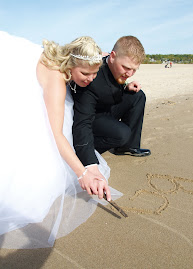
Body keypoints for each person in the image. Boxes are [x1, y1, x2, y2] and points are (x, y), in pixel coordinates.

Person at [0, 31, 121, 249]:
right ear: (71, 63)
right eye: (85, 73)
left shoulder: (70, 59)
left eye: (95, 74)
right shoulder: (56, 79)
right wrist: (82, 173)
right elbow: (56, 133)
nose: (90, 79)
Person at [72, 36, 151, 178]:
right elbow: (83, 122)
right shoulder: (91, 78)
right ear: (112, 56)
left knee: (138, 96)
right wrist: (89, 163)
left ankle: (128, 147)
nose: (129, 73)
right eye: (126, 68)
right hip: (94, 116)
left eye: (134, 70)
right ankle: (90, 149)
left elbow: (113, 86)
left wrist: (126, 87)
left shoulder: (118, 66)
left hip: (110, 106)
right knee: (122, 133)